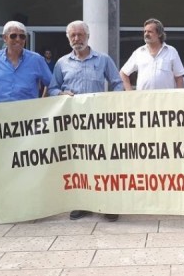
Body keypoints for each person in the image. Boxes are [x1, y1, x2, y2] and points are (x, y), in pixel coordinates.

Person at [0, 20, 52, 225]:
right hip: (1, 123)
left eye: (22, 36)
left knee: (28, 163)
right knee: (0, 165)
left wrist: (44, 103)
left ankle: (29, 208)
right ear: (4, 38)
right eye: (13, 36)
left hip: (28, 121)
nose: (18, 39)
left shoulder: (36, 60)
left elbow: (51, 83)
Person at [48, 20, 123, 221]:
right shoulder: (62, 63)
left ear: (88, 36)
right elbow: (52, 88)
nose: (76, 38)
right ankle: (82, 204)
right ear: (68, 38)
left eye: (80, 34)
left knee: (103, 162)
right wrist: (61, 93)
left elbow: (117, 83)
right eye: (72, 35)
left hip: (99, 121)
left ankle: (108, 204)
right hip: (73, 123)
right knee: (78, 163)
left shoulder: (103, 59)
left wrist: (111, 100)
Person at [120, 18, 184, 90]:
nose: (146, 34)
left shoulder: (171, 51)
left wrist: (179, 95)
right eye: (145, 31)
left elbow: (179, 77)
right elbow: (123, 73)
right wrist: (129, 92)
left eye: (150, 32)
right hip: (143, 96)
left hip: (165, 96)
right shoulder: (139, 52)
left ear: (159, 34)